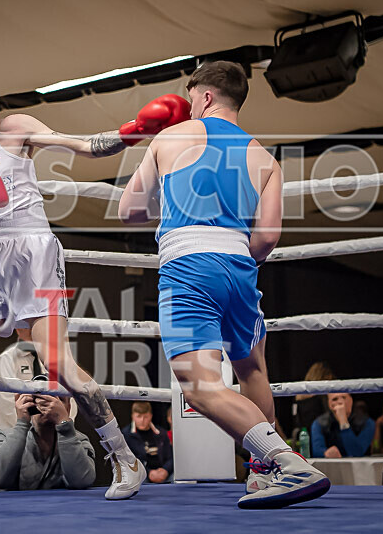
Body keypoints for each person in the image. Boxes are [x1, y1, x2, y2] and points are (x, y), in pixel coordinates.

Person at [0, 62, 186, 499]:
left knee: (60, 366)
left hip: (32, 253)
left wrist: (134, 131)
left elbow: (83, 147)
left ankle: (124, 458)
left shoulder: (14, 127)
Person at [118, 60, 329, 508]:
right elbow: (268, 237)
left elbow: (128, 212)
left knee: (197, 384)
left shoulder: (170, 137)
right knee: (252, 369)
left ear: (205, 96)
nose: (189, 104)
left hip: (189, 265)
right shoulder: (265, 158)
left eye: (192, 96)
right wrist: (231, 254)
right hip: (240, 267)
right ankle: (261, 474)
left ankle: (287, 463)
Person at [0, 387, 95, 491]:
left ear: (68, 408)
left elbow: (81, 482)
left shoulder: (78, 440)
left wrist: (64, 425)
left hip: (59, 510)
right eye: (39, 398)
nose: (49, 405)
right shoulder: (5, 437)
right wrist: (22, 423)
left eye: (58, 400)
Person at [0, 328, 76, 430]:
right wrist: (35, 430)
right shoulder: (7, 359)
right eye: (27, 324)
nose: (33, 329)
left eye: (36, 324)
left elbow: (72, 400)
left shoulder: (57, 358)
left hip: (55, 433)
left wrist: (63, 424)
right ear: (18, 328)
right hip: (15, 432)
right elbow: (6, 404)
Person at [292, 362, 336, 457]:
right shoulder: (322, 395)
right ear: (325, 376)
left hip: (304, 436)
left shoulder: (298, 394)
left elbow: (295, 419)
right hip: (321, 437)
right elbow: (328, 417)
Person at [311, 393, 374, 458]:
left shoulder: (367, 423)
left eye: (343, 397)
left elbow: (356, 453)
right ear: (329, 404)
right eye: (335, 399)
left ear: (351, 400)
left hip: (360, 466)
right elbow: (316, 451)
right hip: (331, 465)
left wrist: (343, 422)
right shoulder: (319, 423)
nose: (340, 402)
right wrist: (325, 453)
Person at [122, 402, 173, 484]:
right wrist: (149, 472)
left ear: (151, 416)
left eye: (146, 417)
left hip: (163, 473)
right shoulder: (126, 435)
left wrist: (165, 470)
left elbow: (171, 457)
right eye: (139, 416)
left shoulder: (161, 433)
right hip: (142, 474)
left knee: (177, 478)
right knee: (139, 480)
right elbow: (129, 461)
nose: (142, 420)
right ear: (133, 416)